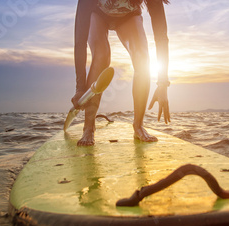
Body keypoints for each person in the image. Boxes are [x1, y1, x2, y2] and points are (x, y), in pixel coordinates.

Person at [71, 0, 170, 146]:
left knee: (142, 57)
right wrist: (80, 88)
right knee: (102, 55)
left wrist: (162, 84)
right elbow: (80, 41)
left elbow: (161, 36)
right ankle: (88, 127)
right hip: (97, 14)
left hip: (129, 17)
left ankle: (138, 126)